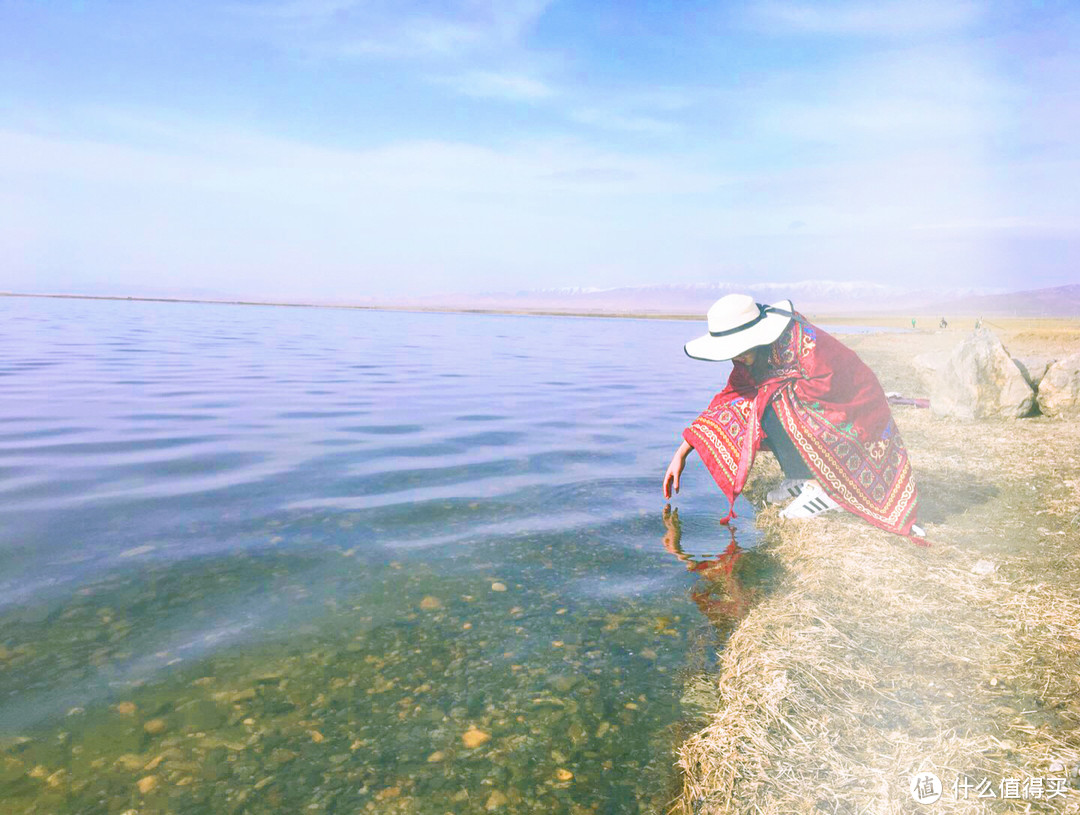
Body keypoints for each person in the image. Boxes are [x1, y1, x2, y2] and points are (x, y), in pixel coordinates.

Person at [662, 294, 924, 540]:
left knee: (772, 402)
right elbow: (730, 398)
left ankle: (824, 487)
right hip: (823, 407)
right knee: (759, 401)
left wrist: (771, 395)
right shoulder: (753, 357)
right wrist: (683, 451)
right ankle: (799, 476)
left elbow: (832, 389)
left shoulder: (801, 345)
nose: (737, 356)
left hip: (857, 410)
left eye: (740, 347)